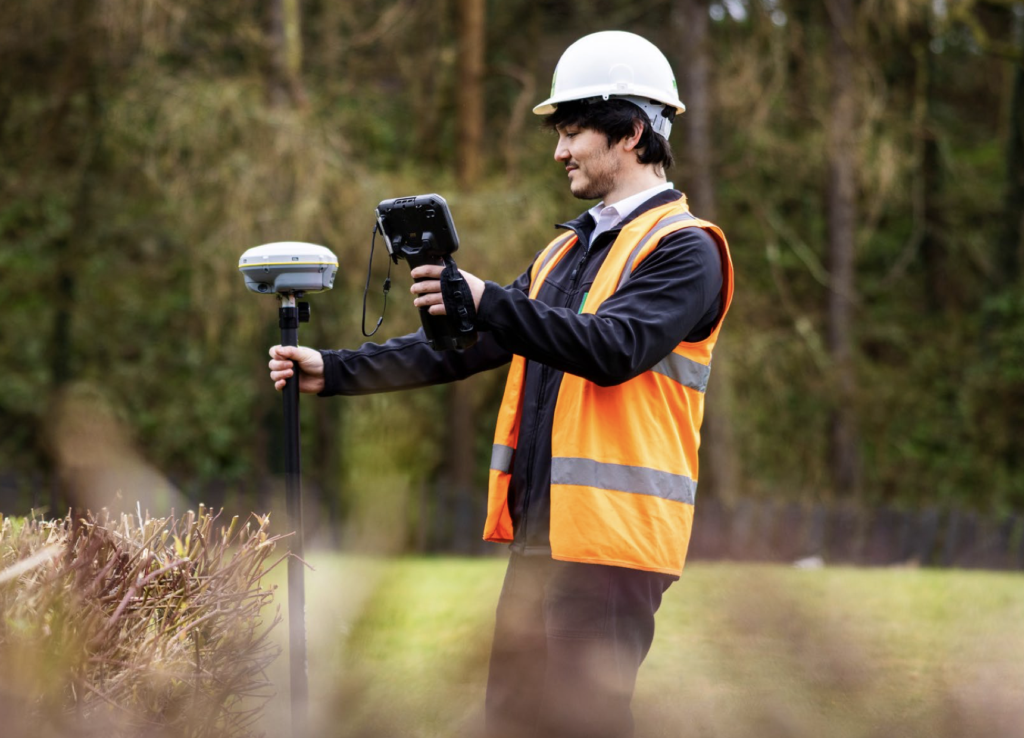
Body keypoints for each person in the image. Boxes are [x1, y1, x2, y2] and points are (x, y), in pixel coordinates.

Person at [269, 30, 734, 738]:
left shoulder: (686, 248)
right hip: (541, 540)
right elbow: (464, 348)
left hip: (611, 550)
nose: (559, 151)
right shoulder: (566, 250)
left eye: (573, 131)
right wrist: (333, 371)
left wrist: (489, 300)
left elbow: (615, 348)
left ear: (632, 131)